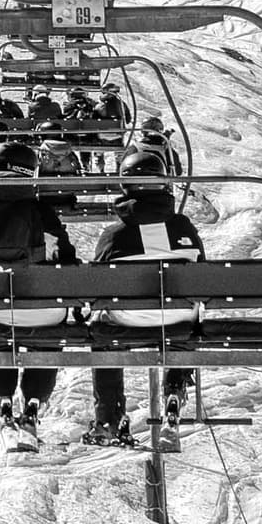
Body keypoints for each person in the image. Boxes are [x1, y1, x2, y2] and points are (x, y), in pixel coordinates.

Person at [0, 142, 78, 444]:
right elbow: (67, 260)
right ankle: (33, 403)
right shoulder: (42, 213)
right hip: (46, 311)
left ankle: (2, 400)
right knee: (47, 333)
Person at [88, 184, 204, 442]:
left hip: (127, 321)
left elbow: (96, 286)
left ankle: (108, 416)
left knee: (102, 331)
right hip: (179, 320)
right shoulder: (185, 230)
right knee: (183, 322)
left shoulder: (114, 236)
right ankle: (175, 388)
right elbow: (202, 275)